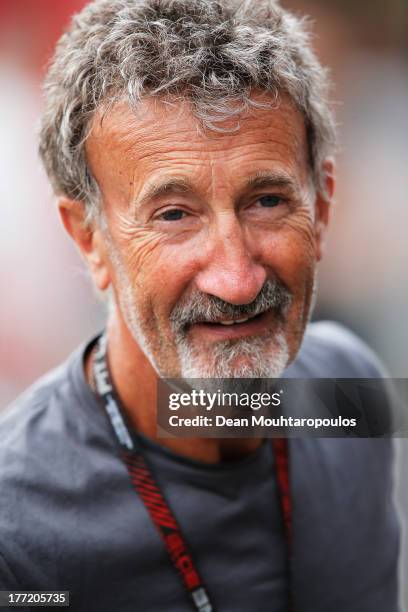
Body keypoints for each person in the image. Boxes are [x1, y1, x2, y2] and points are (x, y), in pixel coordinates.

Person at [0, 0, 400, 610]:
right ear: (89, 239)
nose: (237, 280)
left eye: (266, 201)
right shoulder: (18, 528)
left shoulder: (350, 392)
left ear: (321, 209)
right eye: (174, 215)